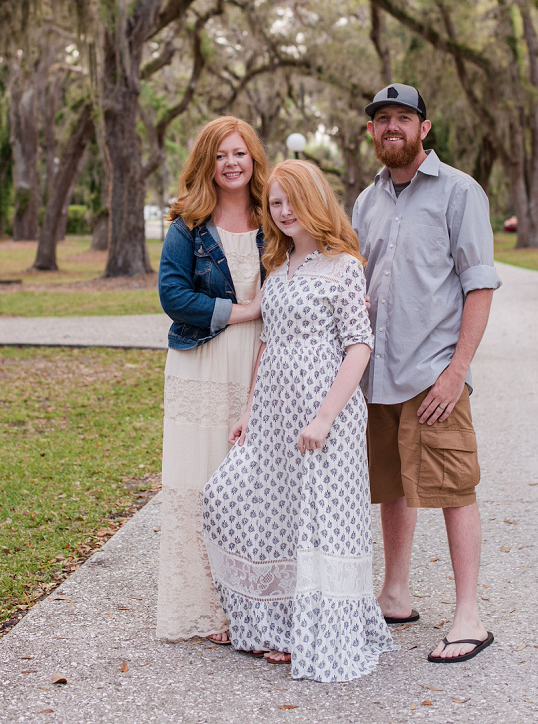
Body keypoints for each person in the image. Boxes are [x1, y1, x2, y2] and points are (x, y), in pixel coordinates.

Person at [202, 159, 392, 681]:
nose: (283, 212)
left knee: (316, 520)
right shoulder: (278, 269)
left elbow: (359, 345)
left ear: (315, 200)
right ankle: (272, 624)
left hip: (325, 414)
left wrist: (326, 417)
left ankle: (313, 633)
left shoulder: (344, 266)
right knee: (240, 500)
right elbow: (267, 343)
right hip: (273, 412)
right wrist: (248, 411)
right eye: (276, 203)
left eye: (292, 201)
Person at [352, 83, 502, 663]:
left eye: (403, 118)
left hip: (432, 376)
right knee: (392, 485)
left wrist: (456, 371)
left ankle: (470, 615)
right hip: (377, 377)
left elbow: (480, 284)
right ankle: (394, 592)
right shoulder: (367, 202)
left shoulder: (459, 192)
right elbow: (358, 288)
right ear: (372, 131)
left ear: (424, 127)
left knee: (454, 488)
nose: (392, 127)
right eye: (382, 119)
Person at [156, 116, 266, 643]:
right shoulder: (187, 224)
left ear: (253, 160)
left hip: (259, 367)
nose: (231, 163)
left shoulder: (276, 216)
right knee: (198, 484)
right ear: (206, 162)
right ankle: (204, 608)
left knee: (249, 490)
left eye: (240, 153)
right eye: (221, 155)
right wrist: (245, 311)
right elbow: (173, 297)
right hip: (200, 362)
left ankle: (250, 608)